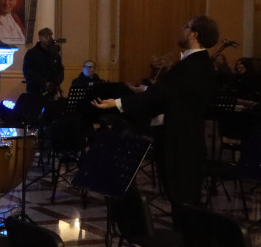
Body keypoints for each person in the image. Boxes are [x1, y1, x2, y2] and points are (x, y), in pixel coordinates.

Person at [93, 15, 219, 220]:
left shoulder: (192, 65)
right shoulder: (197, 62)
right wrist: (145, 89)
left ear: (194, 34)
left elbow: (161, 95)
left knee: (182, 195)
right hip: (182, 135)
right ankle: (183, 245)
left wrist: (117, 103)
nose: (182, 29)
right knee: (180, 193)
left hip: (180, 139)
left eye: (185, 26)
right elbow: (171, 92)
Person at [23, 27, 64, 98]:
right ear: (40, 38)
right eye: (45, 36)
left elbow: (60, 70)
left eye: (50, 36)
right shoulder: (32, 53)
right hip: (35, 91)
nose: (48, 39)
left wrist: (54, 83)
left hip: (51, 91)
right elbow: (28, 72)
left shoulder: (54, 54)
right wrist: (44, 83)